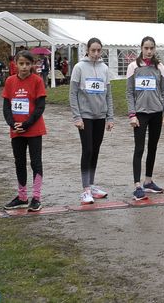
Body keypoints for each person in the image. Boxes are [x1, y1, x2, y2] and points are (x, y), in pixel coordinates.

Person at [69, 37, 115, 205]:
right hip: (85, 117)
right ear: (87, 50)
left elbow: (108, 95)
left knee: (95, 150)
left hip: (100, 116)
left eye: (98, 50)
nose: (96, 53)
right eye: (93, 50)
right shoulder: (79, 67)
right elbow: (73, 93)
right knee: (87, 150)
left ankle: (92, 184)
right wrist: (77, 116)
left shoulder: (104, 68)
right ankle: (85, 189)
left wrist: (110, 117)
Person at [2, 50, 47, 212]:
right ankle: (22, 197)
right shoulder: (10, 81)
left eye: (28, 64)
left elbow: (40, 107)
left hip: (33, 129)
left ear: (32, 65)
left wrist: (27, 124)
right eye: (21, 63)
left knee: (36, 162)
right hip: (16, 130)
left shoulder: (37, 81)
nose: (24, 67)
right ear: (15, 64)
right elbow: (6, 107)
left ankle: (36, 197)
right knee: (19, 162)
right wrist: (13, 124)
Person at [126, 36, 164, 200]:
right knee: (139, 148)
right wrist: (132, 114)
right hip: (140, 114)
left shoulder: (160, 67)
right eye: (146, 48)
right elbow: (129, 92)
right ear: (141, 48)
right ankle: (137, 186)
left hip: (156, 113)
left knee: (153, 147)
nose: (149, 51)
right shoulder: (133, 67)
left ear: (155, 49)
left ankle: (148, 181)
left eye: (152, 48)